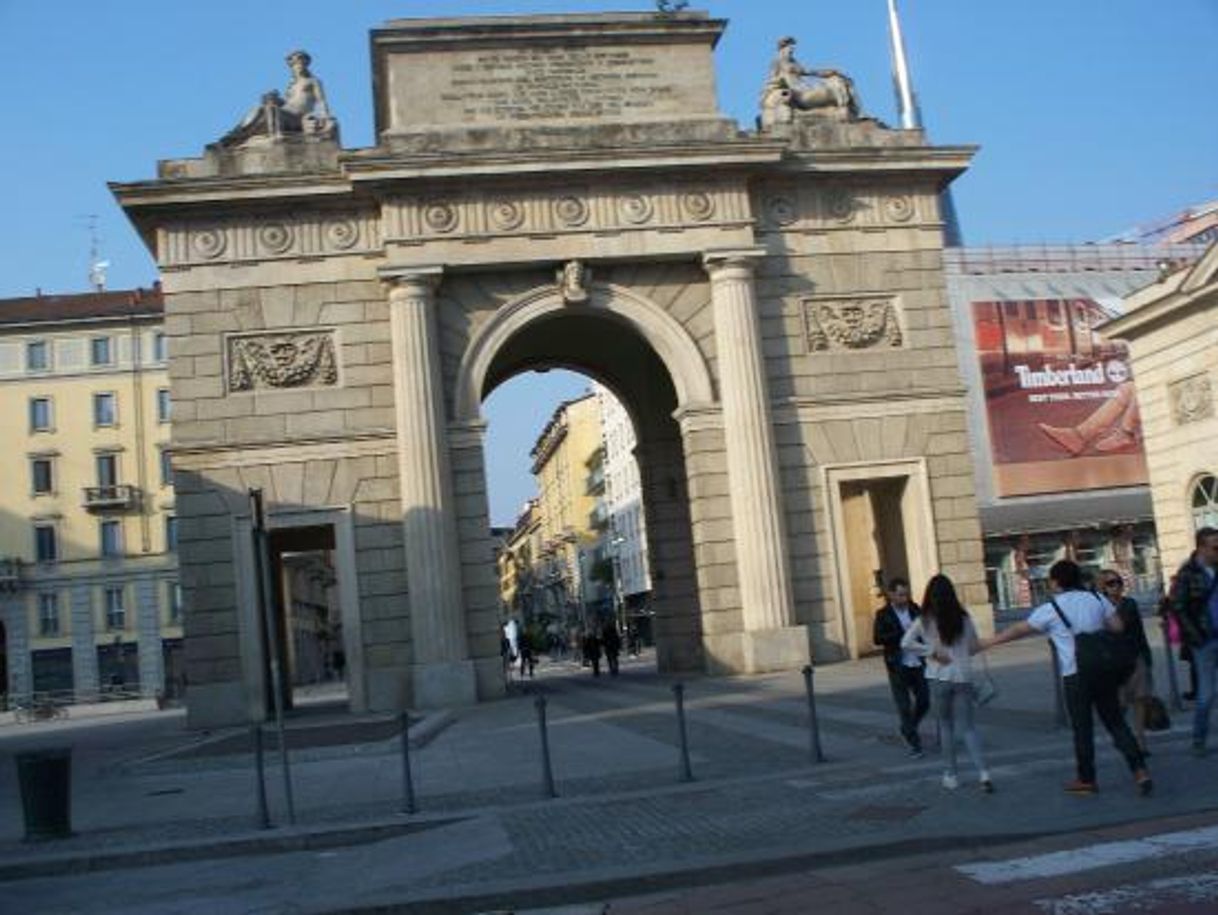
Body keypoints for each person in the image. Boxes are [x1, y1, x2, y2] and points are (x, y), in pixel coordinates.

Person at [981, 559, 1150, 795]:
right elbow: (1118, 627)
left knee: (1082, 728)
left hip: (1075, 674)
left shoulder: (1052, 608)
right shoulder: (1097, 598)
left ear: (1056, 582)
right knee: (1115, 722)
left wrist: (988, 642)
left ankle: (1087, 779)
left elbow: (1019, 630)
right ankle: (1140, 770)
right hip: (1103, 669)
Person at [900, 574, 993, 792]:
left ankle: (951, 775)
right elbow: (973, 646)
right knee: (969, 728)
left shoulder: (924, 619)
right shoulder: (963, 617)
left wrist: (931, 651)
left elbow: (905, 643)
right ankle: (983, 773)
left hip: (938, 676)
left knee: (946, 727)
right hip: (963, 676)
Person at [1167, 527, 1218, 756]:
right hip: (1205, 639)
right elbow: (1177, 606)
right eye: (1215, 547)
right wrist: (1195, 636)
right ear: (1201, 548)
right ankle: (1199, 739)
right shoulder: (1188, 573)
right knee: (1206, 694)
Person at [217, 50, 336, 148]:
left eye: (300, 64)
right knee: (260, 108)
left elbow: (321, 101)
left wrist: (326, 116)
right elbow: (288, 103)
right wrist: (275, 100)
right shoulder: (291, 85)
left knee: (270, 110)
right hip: (286, 113)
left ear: (305, 66)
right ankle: (237, 134)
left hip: (297, 117)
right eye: (295, 65)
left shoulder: (313, 81)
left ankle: (276, 135)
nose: (298, 67)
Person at [873, 577, 930, 757]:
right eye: (900, 595)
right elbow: (877, 638)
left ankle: (907, 728)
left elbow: (927, 631)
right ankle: (914, 744)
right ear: (891, 595)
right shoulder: (883, 614)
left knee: (924, 701)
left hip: (917, 662)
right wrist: (901, 634)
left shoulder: (915, 609)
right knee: (904, 705)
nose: (904, 598)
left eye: (906, 594)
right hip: (897, 664)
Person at [1100, 570, 1153, 756]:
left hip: (1134, 655)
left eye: (1119, 582)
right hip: (1113, 660)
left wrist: (1147, 656)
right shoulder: (1100, 606)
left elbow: (1139, 631)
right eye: (1111, 583)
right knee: (1120, 702)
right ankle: (1121, 735)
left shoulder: (1130, 603)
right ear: (1103, 587)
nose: (1116, 586)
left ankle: (1141, 742)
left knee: (1139, 699)